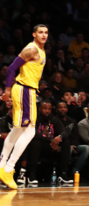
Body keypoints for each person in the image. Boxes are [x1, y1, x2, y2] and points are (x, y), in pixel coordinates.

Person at [0, 24, 49, 189]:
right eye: (40, 32)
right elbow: (11, 68)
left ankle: (2, 166)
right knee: (29, 131)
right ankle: (9, 167)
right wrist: (7, 91)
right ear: (34, 34)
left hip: (29, 91)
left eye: (46, 32)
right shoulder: (32, 49)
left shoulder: (41, 51)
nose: (43, 35)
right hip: (23, 90)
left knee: (18, 130)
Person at [26, 101, 73, 185]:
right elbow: (33, 133)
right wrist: (52, 141)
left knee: (66, 141)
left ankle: (63, 175)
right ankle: (31, 175)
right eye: (45, 108)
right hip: (39, 145)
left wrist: (59, 138)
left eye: (49, 109)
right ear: (39, 109)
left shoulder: (53, 119)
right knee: (36, 142)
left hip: (51, 146)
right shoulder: (34, 118)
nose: (47, 111)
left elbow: (64, 132)